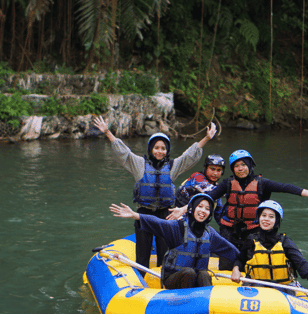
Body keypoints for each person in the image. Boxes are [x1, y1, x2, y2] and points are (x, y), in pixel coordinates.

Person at [93, 115, 217, 272]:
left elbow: (189, 156)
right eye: (157, 147)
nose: (160, 151)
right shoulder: (139, 164)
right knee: (143, 255)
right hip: (143, 214)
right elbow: (123, 152)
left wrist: (206, 138)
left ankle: (164, 281)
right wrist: (107, 133)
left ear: (167, 150)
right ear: (151, 149)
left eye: (163, 148)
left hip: (165, 215)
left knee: (164, 253)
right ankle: (141, 282)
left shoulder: (172, 166)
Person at [170, 149, 308, 270]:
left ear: (250, 165)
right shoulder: (227, 184)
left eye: (243, 165)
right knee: (226, 264)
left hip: (252, 232)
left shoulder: (262, 183)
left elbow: (285, 187)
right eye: (236, 166)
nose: (240, 169)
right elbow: (207, 197)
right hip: (229, 230)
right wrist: (183, 210)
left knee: (250, 263)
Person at [110, 194, 239, 290]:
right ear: (192, 208)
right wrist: (135, 215)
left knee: (204, 274)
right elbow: (157, 222)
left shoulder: (210, 234)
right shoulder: (178, 227)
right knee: (189, 273)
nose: (203, 211)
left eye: (207, 209)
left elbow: (232, 252)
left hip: (197, 281)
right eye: (200, 206)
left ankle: (205, 309)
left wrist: (236, 267)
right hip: (173, 279)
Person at [230, 200, 308, 301]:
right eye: (263, 215)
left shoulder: (285, 242)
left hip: (282, 289)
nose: (266, 219)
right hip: (256, 287)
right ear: (259, 217)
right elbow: (240, 259)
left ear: (277, 220)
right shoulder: (251, 240)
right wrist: (236, 268)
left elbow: (301, 264)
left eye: (271, 217)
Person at [175, 154, 226, 224]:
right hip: (180, 216)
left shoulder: (217, 188)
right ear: (205, 168)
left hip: (199, 220)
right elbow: (214, 191)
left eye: (219, 170)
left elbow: (219, 213)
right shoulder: (197, 177)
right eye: (212, 169)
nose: (215, 173)